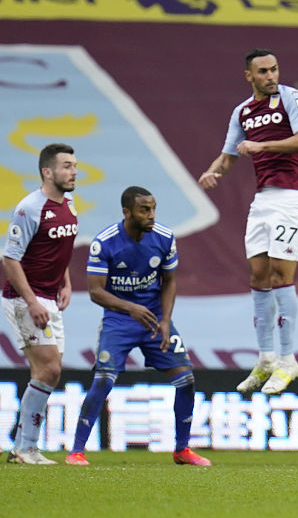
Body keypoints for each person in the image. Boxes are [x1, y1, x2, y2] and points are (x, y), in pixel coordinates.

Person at [65, 187, 211, 466]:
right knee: (104, 379)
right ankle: (76, 451)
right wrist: (131, 307)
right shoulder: (105, 243)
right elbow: (96, 292)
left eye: (154, 208)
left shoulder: (165, 238)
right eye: (145, 210)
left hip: (154, 319)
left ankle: (182, 450)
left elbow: (169, 281)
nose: (151, 215)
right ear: (127, 212)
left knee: (186, 379)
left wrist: (166, 320)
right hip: (119, 319)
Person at [198, 48, 298, 397]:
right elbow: (230, 153)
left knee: (282, 273)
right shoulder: (244, 111)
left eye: (274, 69)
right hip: (263, 200)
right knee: (258, 277)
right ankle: (265, 358)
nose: (271, 76)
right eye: (263, 71)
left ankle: (288, 359)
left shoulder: (291, 98)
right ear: (249, 76)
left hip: (291, 198)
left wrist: (262, 146)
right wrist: (212, 171)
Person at [3, 143, 78, 465]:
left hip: (49, 295)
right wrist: (32, 301)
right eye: (66, 166)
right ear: (47, 172)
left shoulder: (69, 204)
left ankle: (20, 446)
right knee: (50, 369)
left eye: (74, 165)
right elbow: (10, 258)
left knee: (46, 373)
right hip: (26, 298)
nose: (73, 171)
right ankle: (27, 447)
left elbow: (58, 248)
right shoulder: (29, 208)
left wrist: (66, 280)